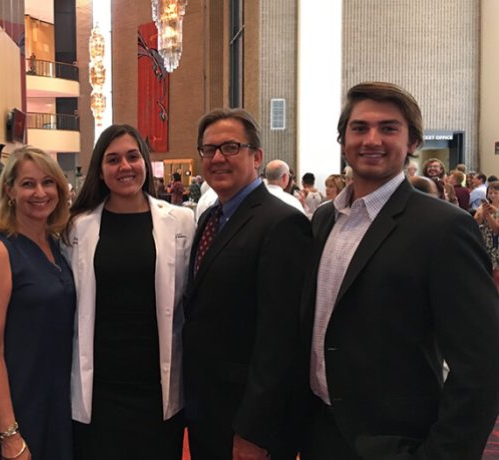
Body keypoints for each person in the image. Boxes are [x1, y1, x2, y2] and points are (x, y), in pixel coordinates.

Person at [301, 81, 499, 459]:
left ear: (413, 142)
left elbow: (482, 366)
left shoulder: (444, 228)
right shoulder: (325, 219)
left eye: (388, 128)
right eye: (359, 128)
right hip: (320, 433)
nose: (371, 139)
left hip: (396, 441)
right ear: (343, 140)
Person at [183, 108, 312, 460]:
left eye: (230, 147)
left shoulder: (282, 223)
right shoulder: (212, 217)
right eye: (209, 150)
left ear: (256, 156)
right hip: (208, 406)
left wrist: (255, 429)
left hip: (249, 420)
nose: (217, 158)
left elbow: (281, 337)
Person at [62, 124, 195, 459]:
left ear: (145, 163)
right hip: (100, 386)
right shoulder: (77, 227)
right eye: (113, 159)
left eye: (133, 157)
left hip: (157, 384)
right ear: (101, 170)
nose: (125, 167)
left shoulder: (180, 222)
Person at [0, 147, 75, 460]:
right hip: (22, 399)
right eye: (28, 184)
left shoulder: (57, 245)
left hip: (61, 397)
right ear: (10, 190)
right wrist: (9, 433)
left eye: (48, 183)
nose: (40, 192)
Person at [474, 181, 499, 288]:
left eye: (495, 193)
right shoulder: (483, 207)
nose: (492, 195)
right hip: (486, 242)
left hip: (496, 245)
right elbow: (475, 223)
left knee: (496, 275)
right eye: (490, 193)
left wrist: (489, 215)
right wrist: (481, 214)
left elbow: (497, 229)